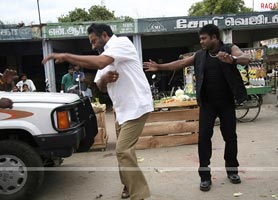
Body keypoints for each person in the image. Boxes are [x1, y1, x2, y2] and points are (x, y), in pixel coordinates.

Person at [42, 23, 153, 200]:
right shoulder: (105, 55)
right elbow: (99, 85)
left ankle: (139, 195)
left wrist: (66, 55)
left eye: (94, 41)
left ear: (104, 35)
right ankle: (127, 185)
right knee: (124, 151)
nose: (93, 46)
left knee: (123, 150)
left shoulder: (121, 43)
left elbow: (101, 62)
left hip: (137, 106)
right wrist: (106, 80)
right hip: (121, 110)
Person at [144, 24, 251, 192]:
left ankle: (232, 171)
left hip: (227, 102)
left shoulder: (229, 48)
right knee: (203, 139)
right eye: (200, 38)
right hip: (207, 104)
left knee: (230, 137)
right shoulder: (200, 55)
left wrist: (233, 59)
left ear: (214, 37)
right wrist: (160, 67)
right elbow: (180, 63)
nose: (201, 41)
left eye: (204, 38)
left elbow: (245, 58)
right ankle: (205, 177)